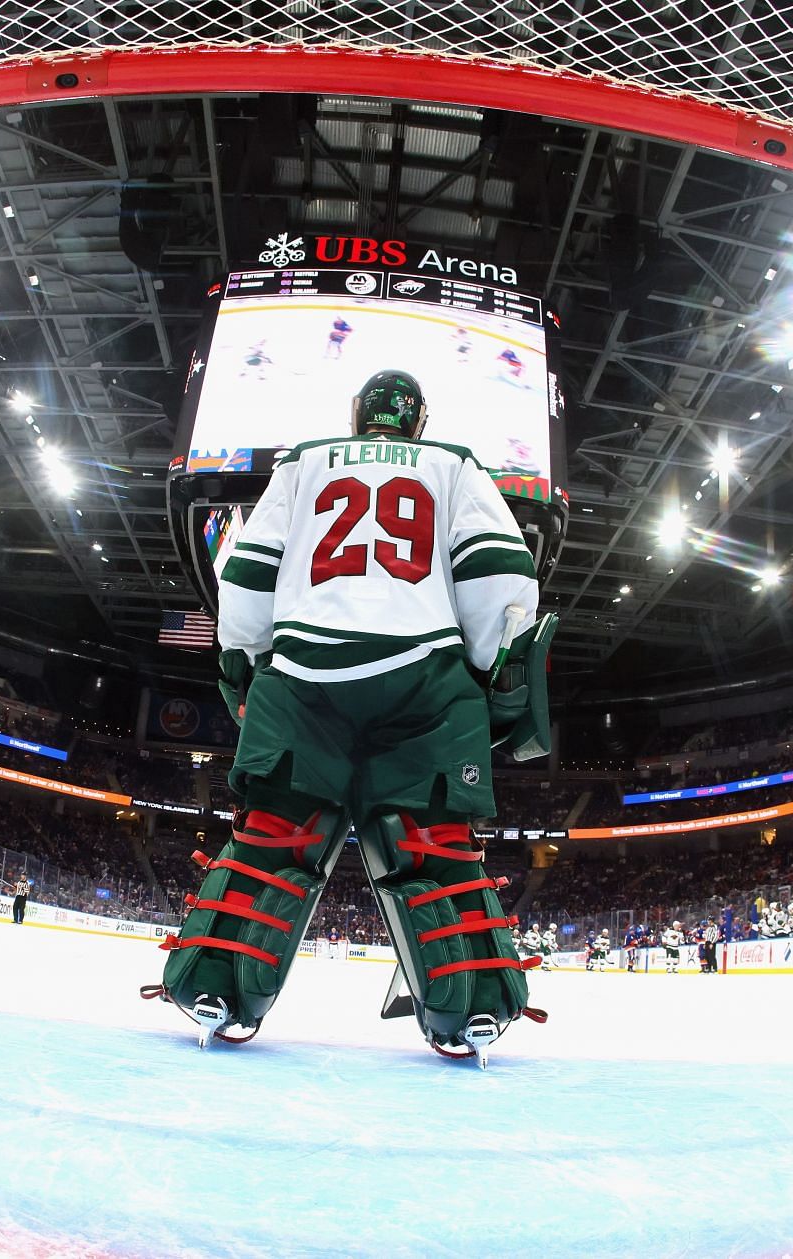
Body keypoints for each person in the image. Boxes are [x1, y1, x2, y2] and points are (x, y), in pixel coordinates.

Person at [150, 369, 552, 1063]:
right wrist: (491, 673)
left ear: (356, 413)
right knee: (433, 846)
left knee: (276, 837)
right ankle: (473, 1006)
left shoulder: (303, 462)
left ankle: (219, 986)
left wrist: (243, 665)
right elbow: (500, 568)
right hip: (424, 675)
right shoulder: (453, 463)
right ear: (419, 419)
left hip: (305, 674)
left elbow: (245, 571)